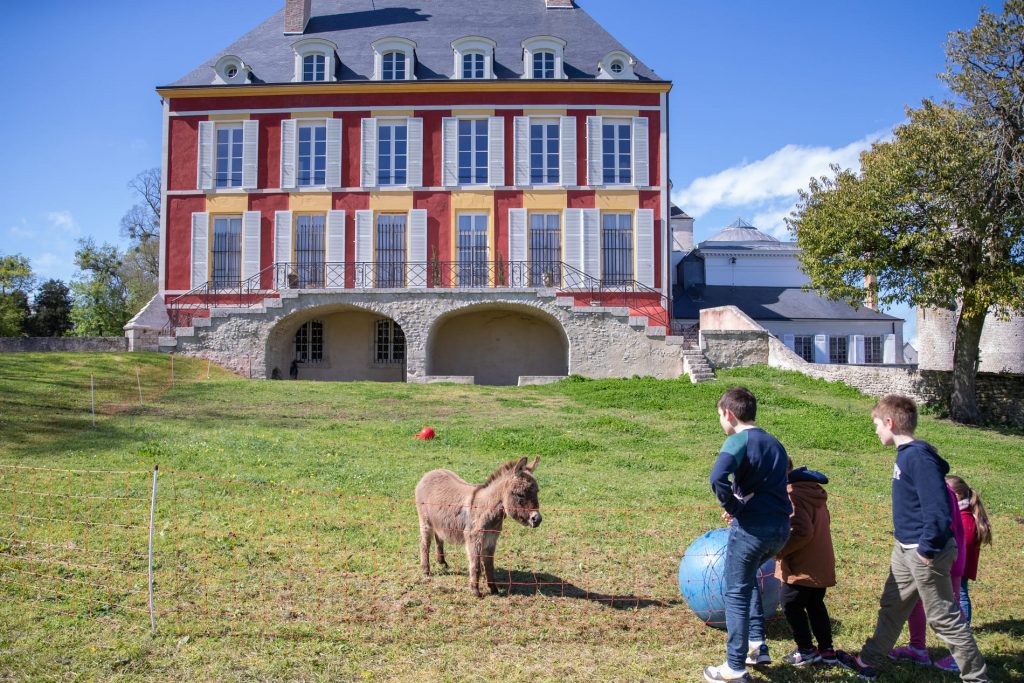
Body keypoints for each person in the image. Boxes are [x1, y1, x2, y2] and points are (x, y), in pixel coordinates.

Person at [836, 395, 988, 682]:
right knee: (893, 606)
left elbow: (939, 510)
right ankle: (868, 661)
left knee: (944, 617)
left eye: (877, 424)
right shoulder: (906, 455)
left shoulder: (917, 458)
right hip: (905, 548)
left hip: (924, 552)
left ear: (890, 423)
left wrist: (928, 548)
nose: (876, 430)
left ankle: (977, 676)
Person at [703, 387, 792, 683]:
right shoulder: (775, 442)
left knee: (736, 592)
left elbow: (717, 477)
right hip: (780, 529)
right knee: (748, 579)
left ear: (729, 414)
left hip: (752, 529)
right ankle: (757, 644)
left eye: (719, 415)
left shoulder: (737, 440)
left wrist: (733, 506)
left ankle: (734, 667)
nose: (720, 421)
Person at [889, 482, 965, 670]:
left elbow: (939, 525)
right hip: (926, 554)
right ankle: (917, 648)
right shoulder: (932, 486)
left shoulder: (935, 489)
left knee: (948, 606)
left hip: (939, 555)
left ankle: (962, 656)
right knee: (915, 601)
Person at [776, 459, 838, 668]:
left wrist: (779, 552)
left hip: (801, 566)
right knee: (815, 605)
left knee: (790, 603)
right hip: (819, 562)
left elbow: (801, 531)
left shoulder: (792, 494)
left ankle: (806, 650)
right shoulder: (811, 490)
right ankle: (827, 650)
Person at [946, 475, 992, 628]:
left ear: (956, 495)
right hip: (959, 562)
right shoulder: (963, 513)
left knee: (961, 592)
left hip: (959, 563)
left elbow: (962, 544)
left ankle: (963, 626)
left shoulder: (963, 518)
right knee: (958, 592)